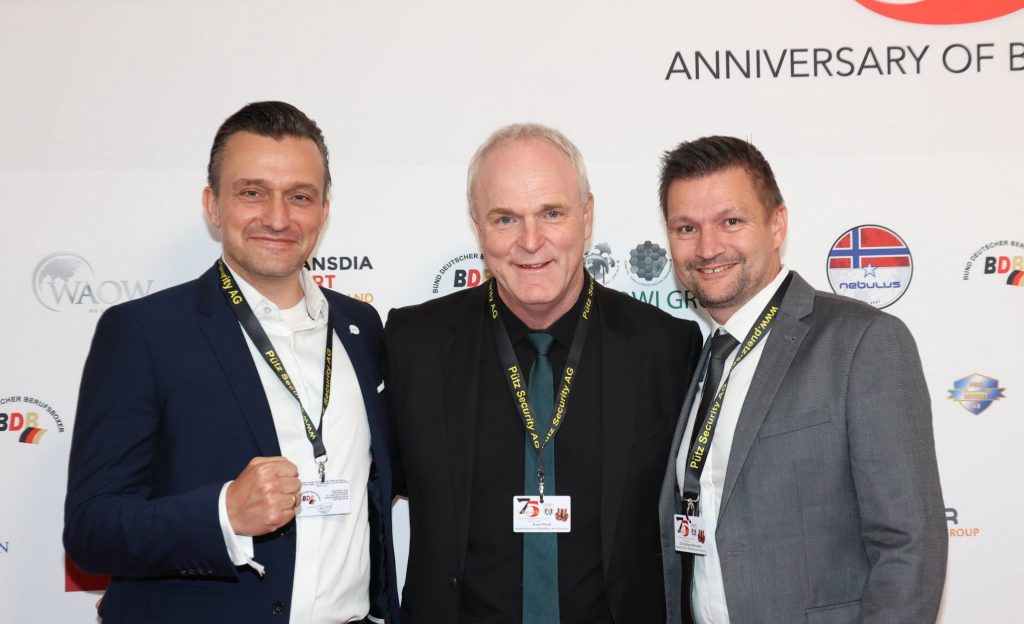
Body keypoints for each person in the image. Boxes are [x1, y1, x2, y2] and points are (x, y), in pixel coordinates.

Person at [64, 101, 400, 623]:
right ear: (213, 206)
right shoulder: (144, 332)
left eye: (300, 196)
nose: (278, 217)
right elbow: (91, 530)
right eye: (252, 192)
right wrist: (223, 514)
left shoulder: (362, 326)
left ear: (323, 212)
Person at [384, 123, 703, 624]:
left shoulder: (667, 347)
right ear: (477, 226)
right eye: (506, 218)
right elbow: (366, 490)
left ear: (586, 216)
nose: (531, 241)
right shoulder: (414, 343)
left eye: (552, 213)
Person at [656, 136, 947, 623]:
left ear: (776, 224)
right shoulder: (704, 357)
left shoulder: (862, 341)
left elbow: (908, 546)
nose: (707, 247)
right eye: (687, 227)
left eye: (731, 221)